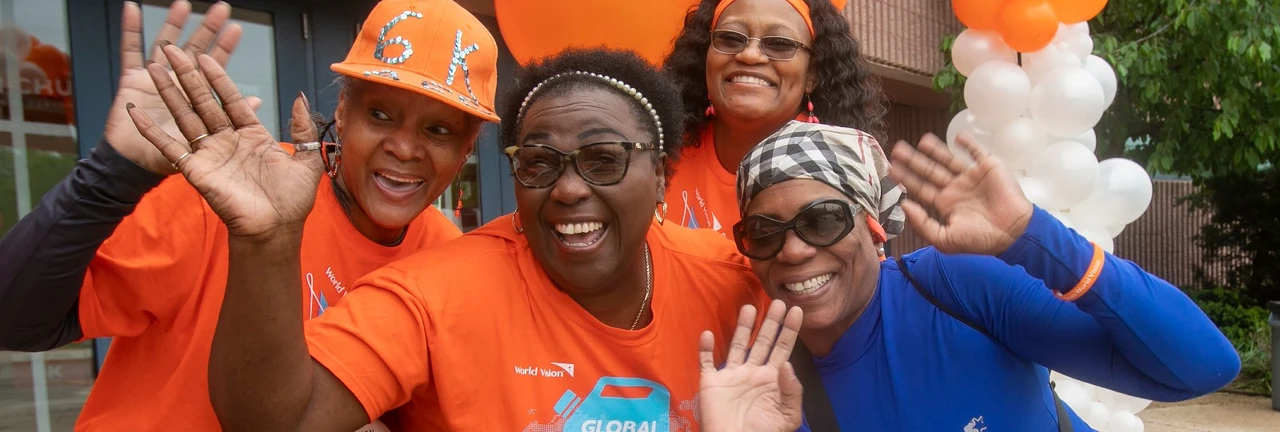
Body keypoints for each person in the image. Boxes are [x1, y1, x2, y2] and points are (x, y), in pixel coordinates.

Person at [127, 44, 805, 432]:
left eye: (603, 160)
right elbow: (277, 422)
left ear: (660, 177)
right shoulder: (436, 294)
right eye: (538, 163)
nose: (568, 189)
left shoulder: (733, 278)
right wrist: (267, 242)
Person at [0, 0, 501, 429]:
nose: (405, 147)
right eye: (380, 114)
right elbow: (17, 322)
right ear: (343, 111)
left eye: (439, 131)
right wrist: (113, 173)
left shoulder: (443, 256)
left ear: (465, 150)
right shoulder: (233, 194)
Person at [730, 121, 1242, 430]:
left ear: (874, 228)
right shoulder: (769, 386)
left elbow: (1202, 368)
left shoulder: (956, 287)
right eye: (764, 231)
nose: (793, 250)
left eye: (822, 220)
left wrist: (1037, 237)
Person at [661, 0, 888, 237]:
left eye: (780, 44)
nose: (749, 55)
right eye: (730, 38)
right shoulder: (659, 150)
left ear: (812, 74)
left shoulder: (837, 175)